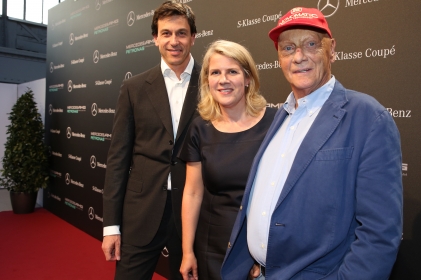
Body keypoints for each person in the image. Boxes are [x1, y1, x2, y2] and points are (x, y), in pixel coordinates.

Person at [222, 7, 403, 280]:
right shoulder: (281, 115)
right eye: (288, 48)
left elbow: (380, 232)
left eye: (311, 44)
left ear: (332, 50)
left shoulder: (367, 117)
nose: (299, 57)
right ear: (279, 58)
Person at [101, 2, 199, 279]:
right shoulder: (134, 88)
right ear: (155, 38)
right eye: (166, 33)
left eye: (181, 33)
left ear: (193, 37)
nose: (174, 41)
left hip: (194, 211)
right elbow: (118, 158)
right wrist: (111, 226)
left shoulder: (212, 83)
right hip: (142, 210)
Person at [178, 40, 276, 280]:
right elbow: (192, 193)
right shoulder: (199, 128)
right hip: (213, 245)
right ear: (207, 81)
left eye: (232, 71)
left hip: (262, 245)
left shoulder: (276, 123)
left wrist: (264, 253)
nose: (223, 79)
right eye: (215, 72)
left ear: (248, 78)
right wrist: (187, 251)